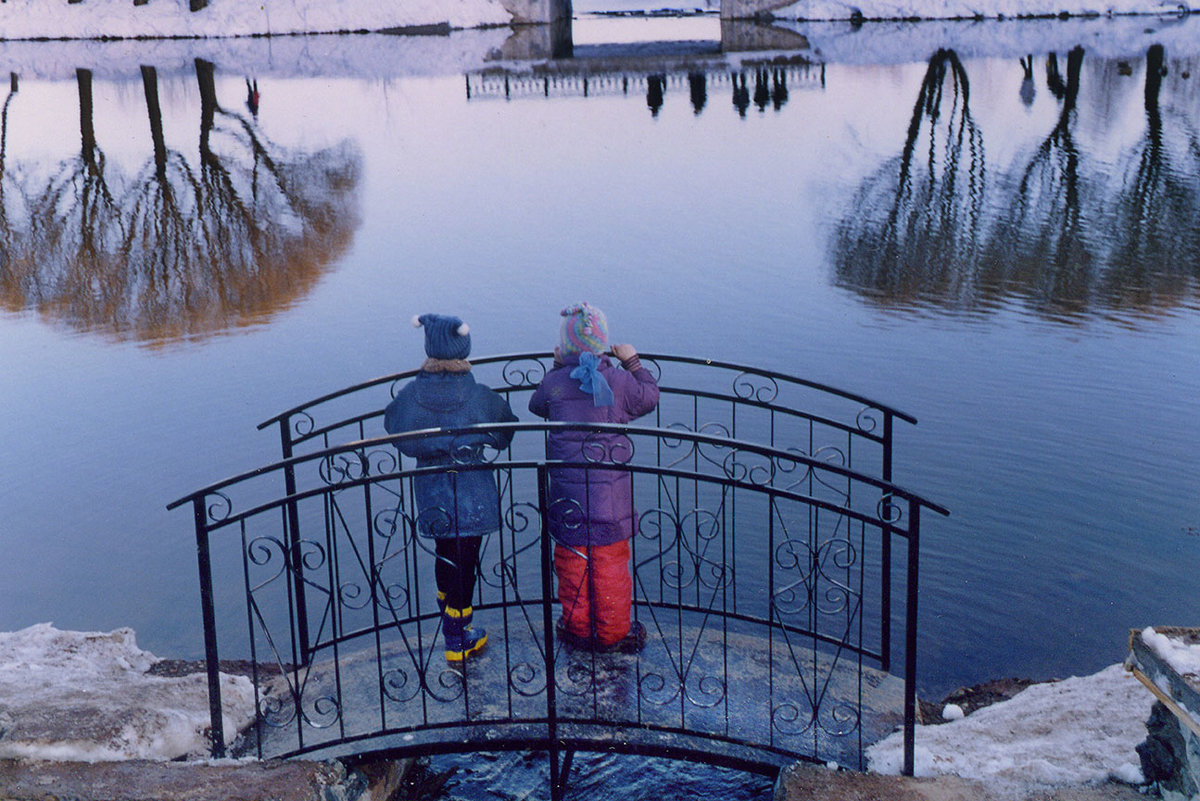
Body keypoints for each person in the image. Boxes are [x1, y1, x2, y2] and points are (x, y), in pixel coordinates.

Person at [384, 314, 518, 662]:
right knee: (467, 558)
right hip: (472, 488)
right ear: (463, 350)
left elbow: (394, 424)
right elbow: (506, 431)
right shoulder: (477, 394)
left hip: (432, 488)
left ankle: (449, 615)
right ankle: (458, 639)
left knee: (446, 550)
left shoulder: (413, 394)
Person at [528, 303, 660, 653]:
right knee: (610, 569)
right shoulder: (617, 380)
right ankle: (613, 634)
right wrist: (632, 362)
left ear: (565, 346)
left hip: (567, 501)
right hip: (609, 504)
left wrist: (558, 366)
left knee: (573, 566)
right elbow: (649, 397)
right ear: (603, 344)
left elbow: (537, 406)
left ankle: (577, 630)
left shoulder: (555, 383)